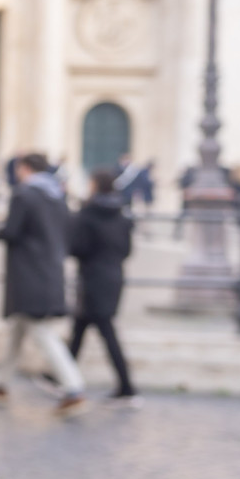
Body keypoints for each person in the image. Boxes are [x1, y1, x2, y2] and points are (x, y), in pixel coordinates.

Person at [0, 152, 86, 416]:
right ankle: (0, 385)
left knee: (41, 331)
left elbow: (12, 231)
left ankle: (73, 388)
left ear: (25, 168)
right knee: (18, 329)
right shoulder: (57, 195)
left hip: (28, 274)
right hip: (50, 270)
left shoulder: (24, 194)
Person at [68, 167, 138, 404]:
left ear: (95, 186)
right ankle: (63, 377)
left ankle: (127, 386)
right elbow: (127, 251)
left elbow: (77, 247)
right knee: (80, 328)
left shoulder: (88, 214)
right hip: (114, 277)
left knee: (105, 331)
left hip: (92, 278)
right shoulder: (122, 215)